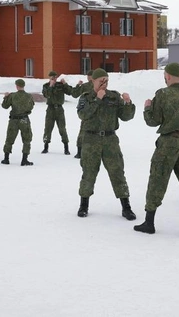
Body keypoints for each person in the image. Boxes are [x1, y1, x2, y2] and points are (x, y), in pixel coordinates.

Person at [134, 63, 179, 238]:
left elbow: (153, 121)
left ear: (168, 76)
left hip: (169, 142)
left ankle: (149, 221)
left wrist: (148, 107)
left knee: (158, 179)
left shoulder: (163, 94)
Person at [76, 68, 136, 220]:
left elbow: (126, 117)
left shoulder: (114, 96)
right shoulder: (86, 97)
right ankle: (84, 205)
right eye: (101, 81)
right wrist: (97, 99)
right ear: (93, 81)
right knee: (88, 173)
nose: (104, 84)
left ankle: (126, 206)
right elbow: (82, 115)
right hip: (91, 140)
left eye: (106, 81)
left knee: (117, 172)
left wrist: (128, 103)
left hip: (110, 140)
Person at [1, 79, 35, 166]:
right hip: (24, 119)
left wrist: (6, 97)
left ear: (16, 86)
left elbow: (5, 106)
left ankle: (6, 158)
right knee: (27, 139)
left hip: (14, 120)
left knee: (9, 139)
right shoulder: (29, 96)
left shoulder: (12, 96)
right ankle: (24, 159)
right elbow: (31, 107)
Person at [41, 70, 73, 154]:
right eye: (52, 77)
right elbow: (46, 95)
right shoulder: (46, 86)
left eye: (55, 77)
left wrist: (65, 84)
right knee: (48, 128)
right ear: (49, 77)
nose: (54, 79)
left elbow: (70, 92)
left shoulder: (60, 85)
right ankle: (46, 146)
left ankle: (66, 147)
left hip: (59, 109)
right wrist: (51, 86)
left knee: (62, 128)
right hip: (50, 109)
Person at [71, 70, 94, 159]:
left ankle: (80, 151)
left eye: (89, 76)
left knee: (83, 131)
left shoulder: (87, 86)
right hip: (92, 112)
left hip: (88, 111)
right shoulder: (99, 86)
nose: (88, 77)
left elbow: (75, 94)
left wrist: (78, 86)